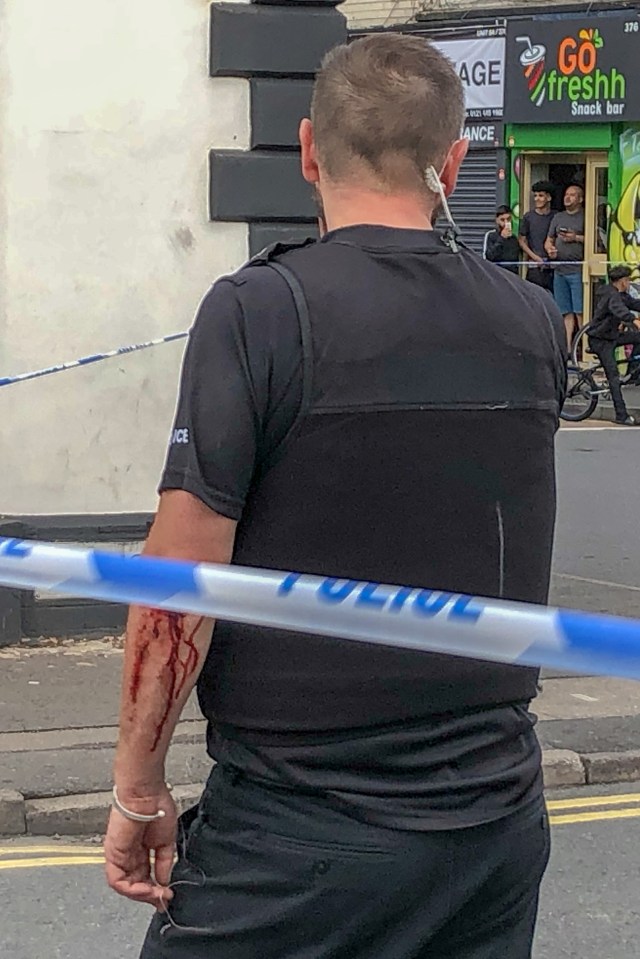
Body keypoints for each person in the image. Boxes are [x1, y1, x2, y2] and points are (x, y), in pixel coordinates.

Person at [104, 34, 567, 959]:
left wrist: (137, 784)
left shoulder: (260, 311)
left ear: (309, 149)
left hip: (297, 832)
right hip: (493, 825)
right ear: (454, 161)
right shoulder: (533, 321)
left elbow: (181, 573)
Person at [588, 265, 640, 425]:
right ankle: (621, 415)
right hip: (601, 340)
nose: (629, 284)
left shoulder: (620, 294)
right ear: (622, 281)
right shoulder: (611, 295)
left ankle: (634, 372)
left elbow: (634, 304)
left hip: (612, 336)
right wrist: (634, 320)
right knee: (613, 377)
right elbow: (619, 309)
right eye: (628, 280)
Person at [545, 184, 585, 350]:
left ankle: (585, 349)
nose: (567, 197)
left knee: (580, 311)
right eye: (566, 194)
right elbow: (549, 239)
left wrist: (575, 237)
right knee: (565, 312)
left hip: (578, 271)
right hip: (559, 270)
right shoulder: (558, 217)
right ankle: (567, 349)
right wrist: (550, 250)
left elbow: (597, 240)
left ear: (581, 199)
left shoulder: (586, 216)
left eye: (572, 195)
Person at [518, 180, 555, 292]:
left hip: (553, 267)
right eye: (535, 196)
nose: (536, 199)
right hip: (534, 267)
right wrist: (534, 257)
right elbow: (521, 241)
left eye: (540, 196)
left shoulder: (556, 216)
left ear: (549, 198)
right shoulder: (528, 217)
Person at [484, 205, 520, 273]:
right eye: (502, 220)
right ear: (497, 220)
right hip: (496, 274)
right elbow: (489, 257)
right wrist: (502, 238)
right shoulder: (491, 235)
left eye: (508, 219)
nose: (506, 223)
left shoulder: (514, 239)